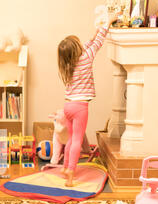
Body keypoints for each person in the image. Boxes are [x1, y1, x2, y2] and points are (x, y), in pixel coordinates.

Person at [57, 12, 119, 187]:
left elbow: (89, 43)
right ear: (76, 50)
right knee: (77, 140)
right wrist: (108, 22)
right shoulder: (86, 58)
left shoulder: (68, 63)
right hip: (80, 107)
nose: (81, 46)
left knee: (71, 139)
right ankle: (70, 172)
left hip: (68, 105)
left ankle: (64, 167)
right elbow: (98, 41)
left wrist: (96, 31)